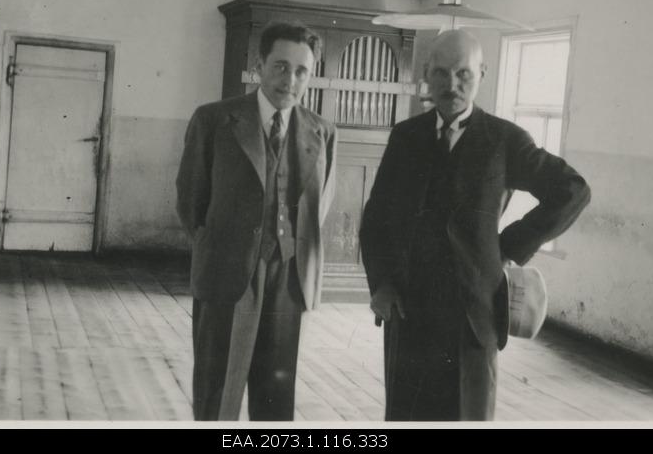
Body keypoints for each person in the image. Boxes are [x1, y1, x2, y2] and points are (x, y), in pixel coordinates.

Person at [359, 29, 590, 421]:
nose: (452, 85)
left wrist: (508, 247)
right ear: (427, 74)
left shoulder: (505, 139)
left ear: (482, 73)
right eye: (442, 73)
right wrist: (381, 283)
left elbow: (573, 190)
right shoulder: (405, 137)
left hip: (474, 314)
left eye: (464, 74)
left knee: (469, 415)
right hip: (409, 308)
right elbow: (376, 218)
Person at [176, 22, 337, 421]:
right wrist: (222, 247)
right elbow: (190, 202)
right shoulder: (215, 120)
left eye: (302, 71)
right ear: (259, 64)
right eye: (281, 67)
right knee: (218, 391)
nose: (291, 79)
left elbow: (319, 208)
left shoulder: (321, 131)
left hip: (288, 277)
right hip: (228, 274)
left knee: (275, 394)